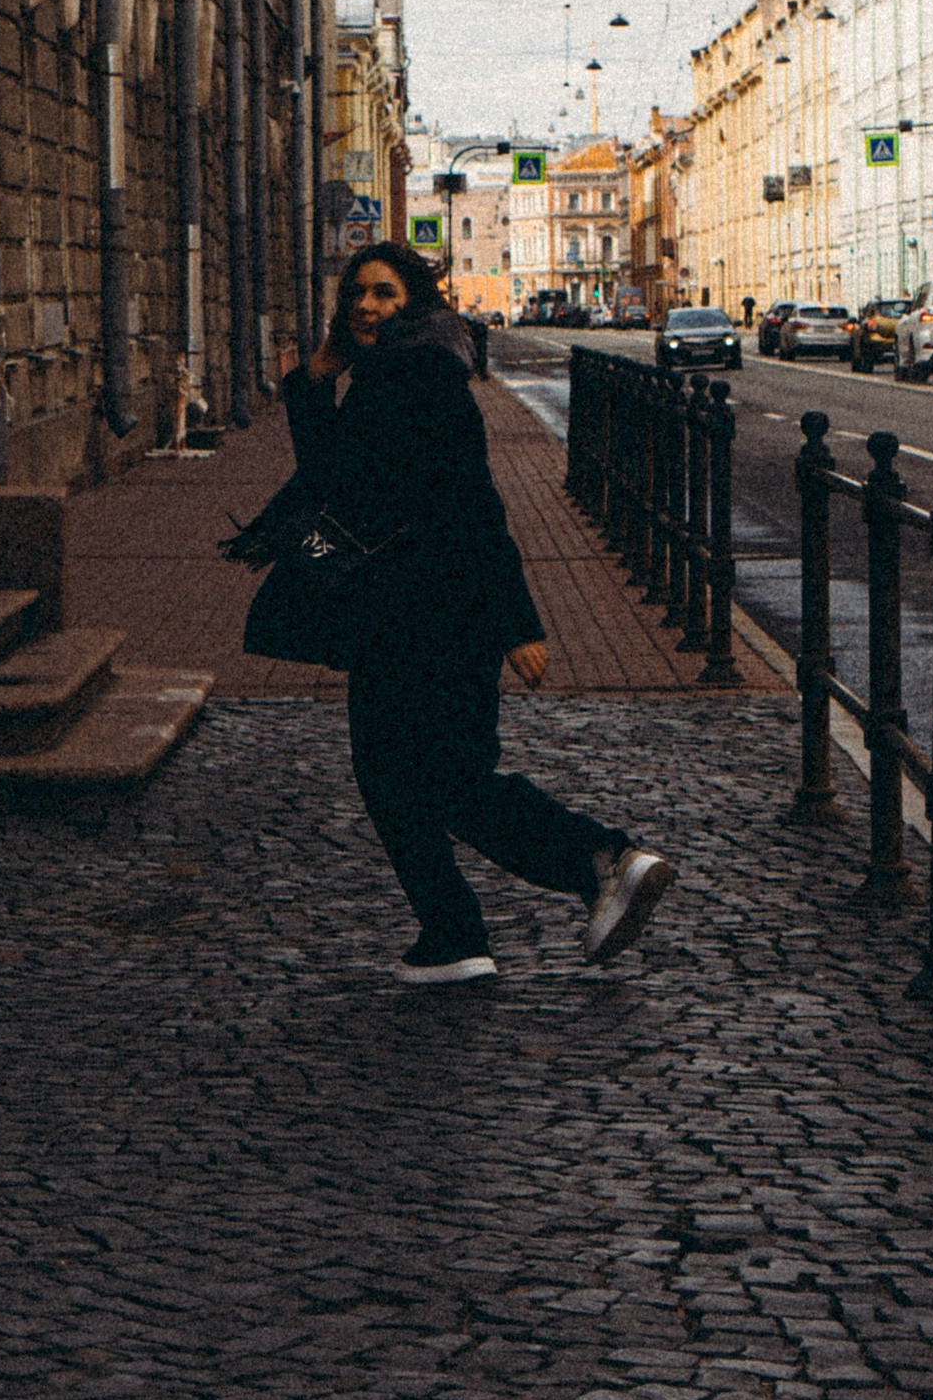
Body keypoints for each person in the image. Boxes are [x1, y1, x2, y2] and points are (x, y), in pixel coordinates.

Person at [281, 244, 673, 986]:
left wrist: (517, 623)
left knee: (424, 778)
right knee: (421, 776)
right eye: (356, 293)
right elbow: (339, 486)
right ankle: (457, 931)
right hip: (418, 611)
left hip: (428, 614)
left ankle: (594, 862)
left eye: (384, 293)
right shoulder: (399, 370)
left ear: (416, 303)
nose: (365, 306)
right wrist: (316, 382)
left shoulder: (414, 376)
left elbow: (471, 503)